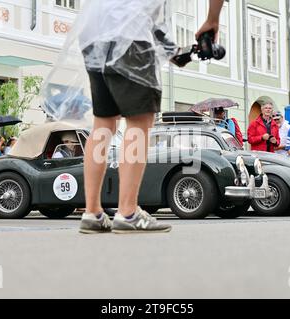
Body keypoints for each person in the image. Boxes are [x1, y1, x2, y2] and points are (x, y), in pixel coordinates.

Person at [78, 0, 225, 234]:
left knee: (103, 123)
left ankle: (92, 213)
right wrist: (212, 19)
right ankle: (127, 212)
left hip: (94, 32)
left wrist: (174, 52)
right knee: (138, 122)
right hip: (131, 36)